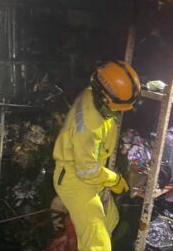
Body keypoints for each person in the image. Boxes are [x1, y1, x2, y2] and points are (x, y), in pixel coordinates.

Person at [53, 60, 140, 251]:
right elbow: (87, 171)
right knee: (97, 243)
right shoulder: (90, 125)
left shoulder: (94, 94)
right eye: (118, 106)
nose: (119, 111)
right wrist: (114, 179)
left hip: (87, 175)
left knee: (110, 219)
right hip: (74, 180)